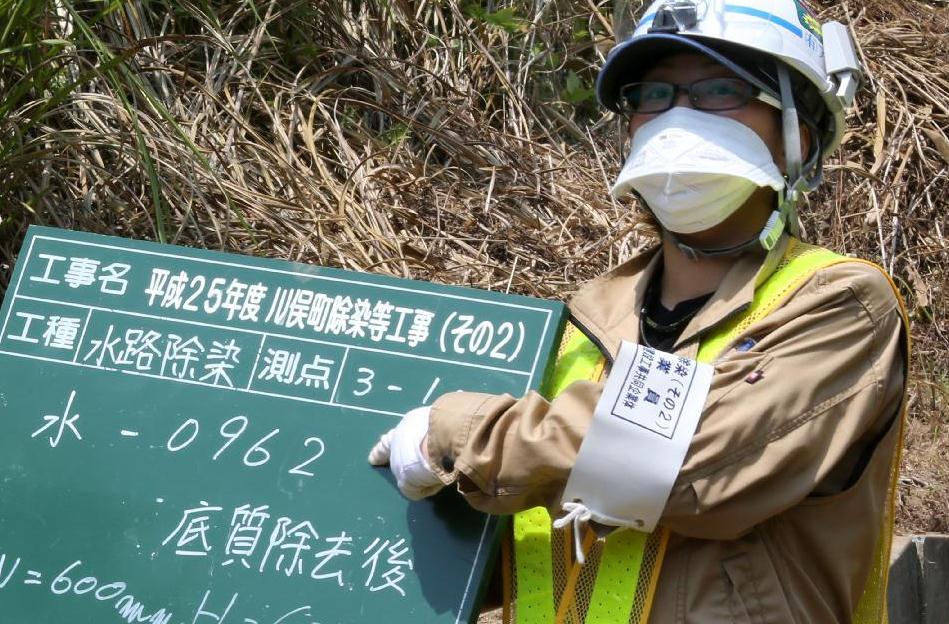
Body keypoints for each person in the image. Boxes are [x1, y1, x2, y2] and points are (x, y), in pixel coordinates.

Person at [369, 1, 910, 622]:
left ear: (798, 135)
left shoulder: (838, 304)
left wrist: (459, 435)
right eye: (652, 94)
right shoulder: (581, 319)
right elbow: (509, 539)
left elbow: (684, 463)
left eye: (718, 89)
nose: (675, 116)